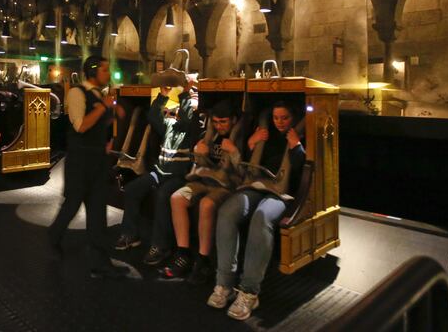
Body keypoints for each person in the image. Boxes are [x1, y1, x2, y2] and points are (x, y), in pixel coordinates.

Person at [208, 101, 306, 320]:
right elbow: (242, 162)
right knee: (227, 212)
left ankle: (249, 291)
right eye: (276, 118)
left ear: (293, 118)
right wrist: (251, 144)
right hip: (256, 185)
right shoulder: (264, 133)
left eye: (285, 118)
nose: (279, 122)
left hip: (282, 193)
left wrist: (296, 147)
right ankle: (224, 283)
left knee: (261, 217)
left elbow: (302, 169)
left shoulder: (297, 135)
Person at [48, 55, 129, 279]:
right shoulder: (77, 93)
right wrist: (104, 107)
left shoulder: (98, 96)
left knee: (97, 212)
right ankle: (54, 236)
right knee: (72, 206)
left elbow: (100, 126)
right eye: (105, 70)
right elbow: (81, 125)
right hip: (79, 163)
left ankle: (99, 262)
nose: (108, 74)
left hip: (97, 163)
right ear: (92, 72)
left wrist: (113, 120)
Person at [112, 79, 199, 266]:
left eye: (174, 112)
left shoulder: (187, 129)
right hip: (160, 173)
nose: (171, 115)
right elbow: (153, 115)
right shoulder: (167, 127)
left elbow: (186, 119)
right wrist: (162, 95)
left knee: (162, 196)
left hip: (178, 177)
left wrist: (185, 92)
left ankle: (161, 246)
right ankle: (130, 234)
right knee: (132, 189)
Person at [162, 99, 242, 284]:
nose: (219, 126)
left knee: (206, 204)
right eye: (215, 122)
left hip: (227, 185)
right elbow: (200, 165)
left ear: (233, 120)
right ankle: (183, 253)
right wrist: (199, 153)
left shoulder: (241, 137)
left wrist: (235, 152)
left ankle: (203, 259)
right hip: (205, 179)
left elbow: (246, 173)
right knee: (177, 198)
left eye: (223, 122)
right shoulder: (210, 135)